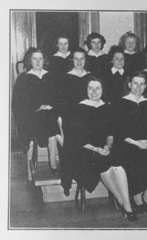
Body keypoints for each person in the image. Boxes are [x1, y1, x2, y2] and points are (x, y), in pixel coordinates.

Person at [68, 78, 137, 221]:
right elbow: (76, 137)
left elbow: (111, 132)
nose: (93, 92)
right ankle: (124, 203)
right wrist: (97, 149)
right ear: (85, 90)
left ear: (103, 90)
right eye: (90, 88)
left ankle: (125, 203)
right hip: (85, 149)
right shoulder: (78, 108)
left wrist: (108, 145)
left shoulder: (108, 107)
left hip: (105, 146)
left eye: (97, 88)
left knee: (117, 165)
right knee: (103, 162)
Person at [113, 72, 147, 214]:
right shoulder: (120, 103)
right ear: (129, 84)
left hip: (146, 142)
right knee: (134, 157)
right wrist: (137, 143)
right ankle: (137, 198)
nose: (138, 87)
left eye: (142, 84)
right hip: (127, 142)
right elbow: (118, 130)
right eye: (135, 83)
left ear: (145, 86)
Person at [12, 48, 61, 174]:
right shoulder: (24, 79)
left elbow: (59, 96)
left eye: (40, 58)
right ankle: (53, 164)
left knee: (56, 119)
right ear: (29, 60)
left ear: (44, 60)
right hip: (33, 115)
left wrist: (52, 107)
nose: (38, 62)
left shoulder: (52, 76)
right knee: (52, 125)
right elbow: (19, 104)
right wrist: (38, 107)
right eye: (35, 59)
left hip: (52, 112)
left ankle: (58, 160)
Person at [57, 48, 94, 195]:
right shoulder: (64, 78)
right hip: (71, 119)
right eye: (76, 59)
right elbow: (61, 103)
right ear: (71, 60)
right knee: (71, 144)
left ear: (86, 60)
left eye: (82, 59)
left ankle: (86, 178)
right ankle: (67, 182)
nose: (79, 62)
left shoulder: (91, 77)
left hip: (90, 117)